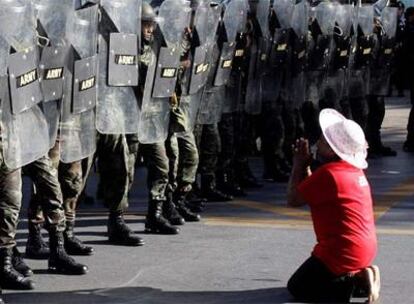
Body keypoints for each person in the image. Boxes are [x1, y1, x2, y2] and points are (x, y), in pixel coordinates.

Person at [286, 108, 380, 303]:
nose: (316, 144)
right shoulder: (352, 171)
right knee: (317, 279)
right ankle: (359, 276)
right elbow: (312, 191)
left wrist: (297, 164)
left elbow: (294, 199)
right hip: (364, 249)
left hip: (341, 252)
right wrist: (306, 167)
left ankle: (354, 282)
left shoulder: (329, 173)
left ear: (331, 148)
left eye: (321, 140)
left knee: (298, 286)